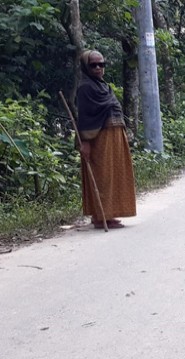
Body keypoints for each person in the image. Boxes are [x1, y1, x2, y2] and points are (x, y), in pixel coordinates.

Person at [76, 50, 136, 229]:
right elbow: (85, 117)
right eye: (93, 65)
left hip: (115, 137)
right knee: (103, 176)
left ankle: (110, 214)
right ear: (86, 67)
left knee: (115, 174)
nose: (98, 68)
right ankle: (101, 216)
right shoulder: (85, 88)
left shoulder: (104, 86)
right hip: (99, 138)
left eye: (101, 64)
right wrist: (85, 142)